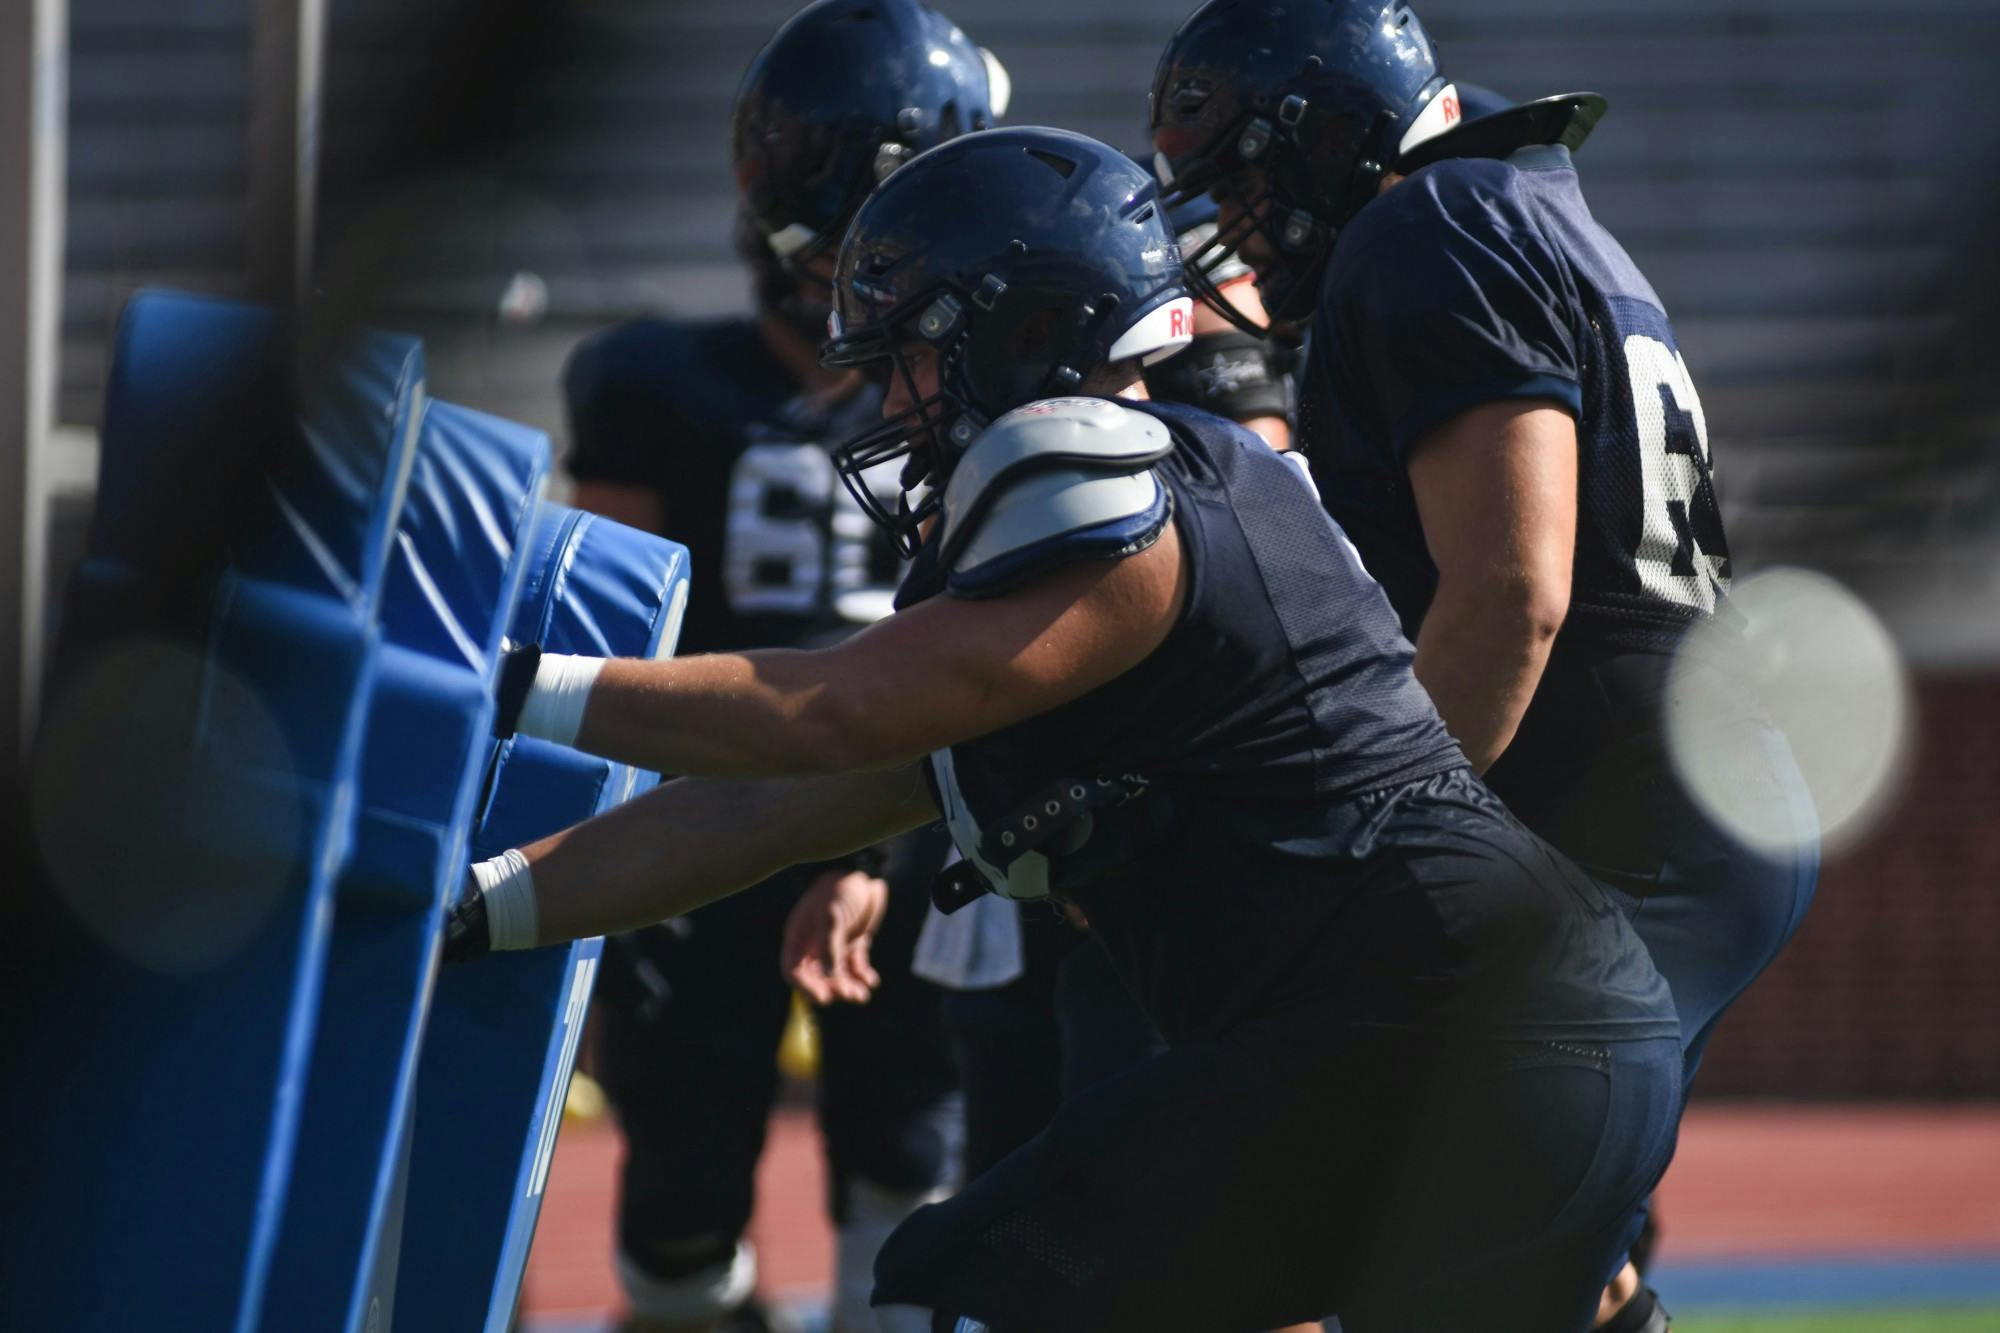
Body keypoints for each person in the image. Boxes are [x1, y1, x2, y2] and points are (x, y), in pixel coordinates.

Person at [448, 126, 1682, 1333]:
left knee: (984, 1277)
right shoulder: (1163, 502)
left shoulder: (1113, 516)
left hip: (1430, 1032)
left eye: (910, 354)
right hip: (1529, 1030)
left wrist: (497, 683)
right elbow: (764, 808)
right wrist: (477, 905)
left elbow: (828, 712)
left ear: (1020, 331)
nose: (888, 398)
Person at [1148, 3, 1820, 1327]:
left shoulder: (1430, 223)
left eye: (1240, 173)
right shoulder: (1524, 211)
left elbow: (1512, 591)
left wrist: (1366, 852)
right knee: (1536, 1256)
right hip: (1668, 782)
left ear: (1321, 135)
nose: (1230, 216)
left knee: (1426, 1257)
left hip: (1623, 808)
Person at [556, 4, 1005, 1327]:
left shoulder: (992, 385)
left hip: (919, 799)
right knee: (674, 1229)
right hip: (713, 796)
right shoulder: (656, 380)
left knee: (910, 1159)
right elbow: (608, 626)